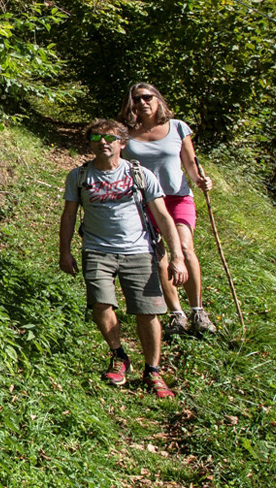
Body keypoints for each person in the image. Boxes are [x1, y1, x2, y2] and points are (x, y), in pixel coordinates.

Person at [60, 120, 189, 397]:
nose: (103, 142)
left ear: (122, 143)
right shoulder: (79, 176)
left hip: (139, 251)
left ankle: (152, 371)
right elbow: (69, 216)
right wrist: (65, 251)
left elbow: (163, 216)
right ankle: (119, 355)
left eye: (110, 138)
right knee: (100, 304)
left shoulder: (139, 174)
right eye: (96, 137)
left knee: (147, 312)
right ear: (90, 143)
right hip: (96, 249)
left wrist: (177, 256)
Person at [119, 82, 216, 335]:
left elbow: (190, 164)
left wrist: (201, 181)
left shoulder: (178, 127)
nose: (142, 102)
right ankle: (177, 314)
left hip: (177, 197)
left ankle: (198, 311)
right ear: (130, 104)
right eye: (136, 99)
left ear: (157, 99)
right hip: (145, 202)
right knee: (159, 258)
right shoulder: (125, 134)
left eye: (147, 97)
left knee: (184, 248)